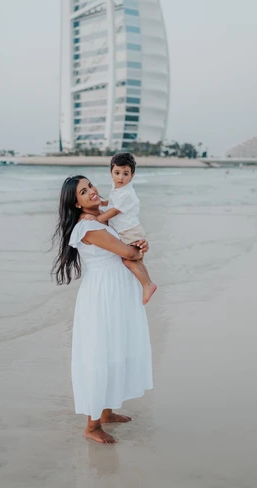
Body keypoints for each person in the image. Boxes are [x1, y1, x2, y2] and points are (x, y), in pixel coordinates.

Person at [52, 175, 153, 444]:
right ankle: (92, 425)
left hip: (116, 292)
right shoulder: (87, 228)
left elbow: (130, 247)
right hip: (102, 298)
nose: (92, 192)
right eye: (83, 192)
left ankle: (106, 412)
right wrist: (137, 250)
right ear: (76, 203)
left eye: (91, 186)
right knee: (99, 354)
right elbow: (129, 254)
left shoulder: (104, 220)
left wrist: (141, 244)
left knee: (115, 350)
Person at [83, 152, 157, 305]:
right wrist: (103, 204)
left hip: (129, 230)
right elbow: (113, 203)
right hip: (128, 229)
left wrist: (98, 219)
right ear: (111, 173)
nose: (121, 177)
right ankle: (146, 283)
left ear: (132, 175)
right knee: (137, 260)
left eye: (125, 174)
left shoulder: (127, 193)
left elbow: (115, 210)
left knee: (129, 260)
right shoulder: (118, 189)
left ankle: (147, 284)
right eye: (117, 173)